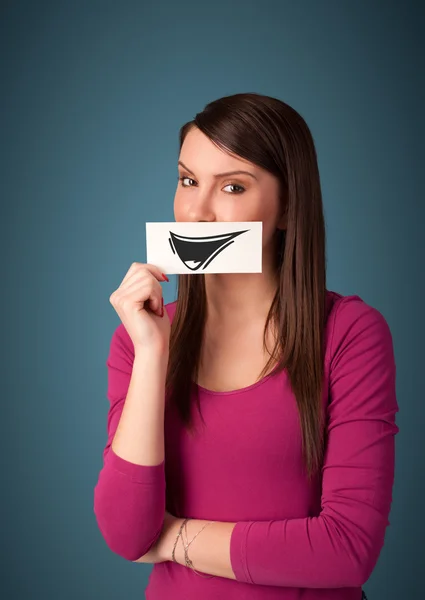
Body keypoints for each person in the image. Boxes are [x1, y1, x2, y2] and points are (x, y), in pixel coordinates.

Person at [93, 92, 399, 600]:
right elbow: (126, 535)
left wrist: (173, 539)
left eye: (232, 187)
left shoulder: (350, 334)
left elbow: (347, 549)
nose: (197, 212)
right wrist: (152, 356)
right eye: (188, 180)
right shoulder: (140, 340)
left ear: (287, 209)